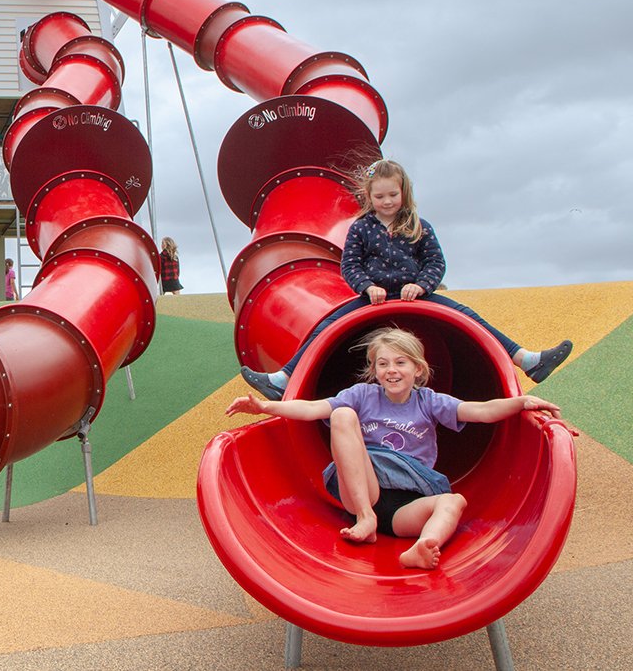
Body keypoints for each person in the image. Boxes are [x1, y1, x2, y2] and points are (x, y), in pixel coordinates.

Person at [226, 327, 564, 569]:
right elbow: (312, 409)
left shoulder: (428, 401)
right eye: (383, 364)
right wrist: (266, 408)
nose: (391, 370)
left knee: (454, 500)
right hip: (364, 490)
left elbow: (478, 411)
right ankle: (365, 518)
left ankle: (421, 548)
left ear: (418, 369)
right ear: (373, 371)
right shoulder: (362, 395)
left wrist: (521, 402)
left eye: (401, 363)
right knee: (342, 415)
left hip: (408, 505)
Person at [240, 159, 572, 401]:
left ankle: (527, 360)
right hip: (375, 297)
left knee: (467, 315)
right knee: (327, 322)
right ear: (369, 196)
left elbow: (436, 262)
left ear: (404, 193)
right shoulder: (361, 228)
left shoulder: (419, 226)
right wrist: (367, 287)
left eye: (392, 195)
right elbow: (350, 266)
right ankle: (283, 378)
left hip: (415, 295)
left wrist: (422, 285)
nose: (386, 202)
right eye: (380, 196)